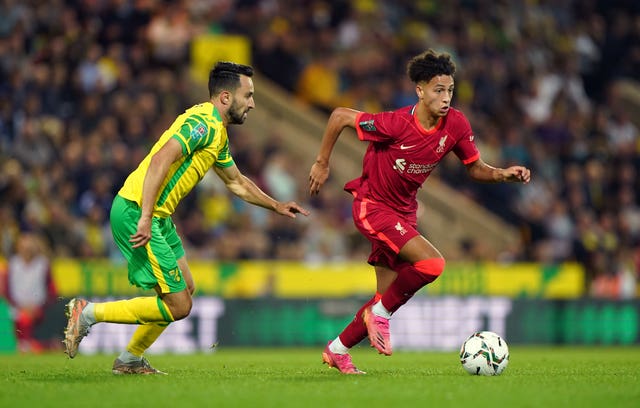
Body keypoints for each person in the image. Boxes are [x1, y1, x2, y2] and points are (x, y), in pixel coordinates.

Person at [63, 62, 309, 374]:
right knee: (179, 305)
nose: (252, 103)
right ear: (224, 97)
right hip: (138, 211)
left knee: (185, 288)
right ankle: (87, 313)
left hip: (157, 216)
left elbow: (236, 182)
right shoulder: (201, 122)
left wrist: (275, 205)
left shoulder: (217, 134)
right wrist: (146, 216)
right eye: (247, 96)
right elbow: (161, 159)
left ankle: (130, 360)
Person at [308, 49, 531, 374]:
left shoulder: (455, 123)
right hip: (373, 208)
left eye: (450, 90)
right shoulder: (395, 123)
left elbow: (474, 167)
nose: (446, 97)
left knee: (383, 298)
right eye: (438, 90)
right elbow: (340, 115)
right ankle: (379, 317)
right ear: (420, 90)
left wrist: (501, 174)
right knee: (431, 264)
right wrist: (321, 162)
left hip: (403, 213)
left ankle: (337, 350)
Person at [1, 232, 57, 352]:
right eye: (24, 248)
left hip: (39, 310)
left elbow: (52, 291)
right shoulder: (12, 264)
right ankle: (25, 345)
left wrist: (39, 307)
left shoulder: (43, 264)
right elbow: (6, 290)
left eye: (29, 248)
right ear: (18, 248)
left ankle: (34, 345)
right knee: (21, 319)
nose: (27, 251)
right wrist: (19, 307)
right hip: (16, 309)